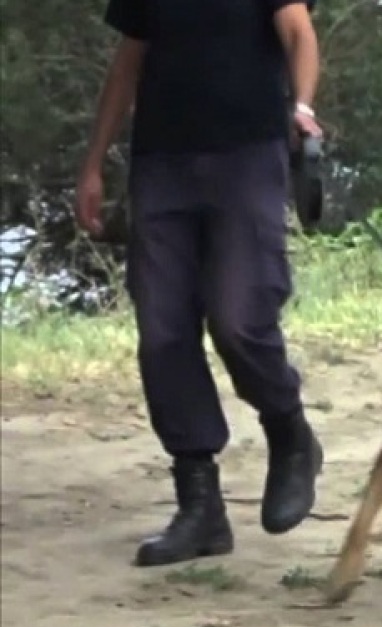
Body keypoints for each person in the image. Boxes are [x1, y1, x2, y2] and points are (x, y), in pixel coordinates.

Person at [74, 0, 326, 567]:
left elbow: (299, 34)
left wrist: (303, 106)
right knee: (162, 331)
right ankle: (200, 506)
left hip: (248, 156)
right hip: (161, 164)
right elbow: (126, 64)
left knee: (239, 318)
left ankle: (289, 433)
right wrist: (93, 163)